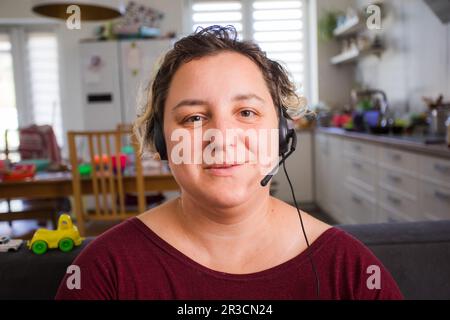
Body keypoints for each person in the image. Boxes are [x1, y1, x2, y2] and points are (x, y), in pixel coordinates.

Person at [56, 25, 402, 300]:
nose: (221, 137)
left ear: (281, 133)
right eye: (193, 118)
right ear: (161, 140)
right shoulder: (104, 269)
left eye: (247, 112)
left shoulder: (352, 271)